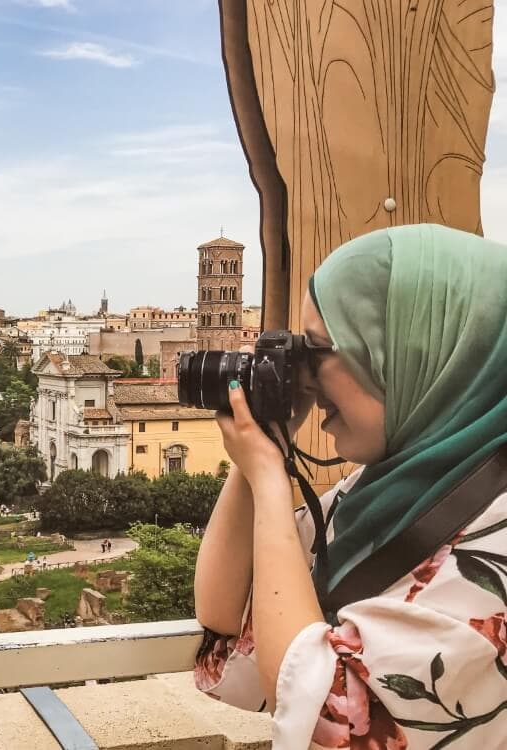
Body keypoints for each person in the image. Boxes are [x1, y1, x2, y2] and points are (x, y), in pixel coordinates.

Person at [193, 225, 507, 748]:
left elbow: (328, 713)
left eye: (316, 351)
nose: (303, 379)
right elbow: (226, 611)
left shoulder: (494, 539)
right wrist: (258, 453)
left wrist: (272, 478)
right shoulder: (388, 490)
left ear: (410, 351)